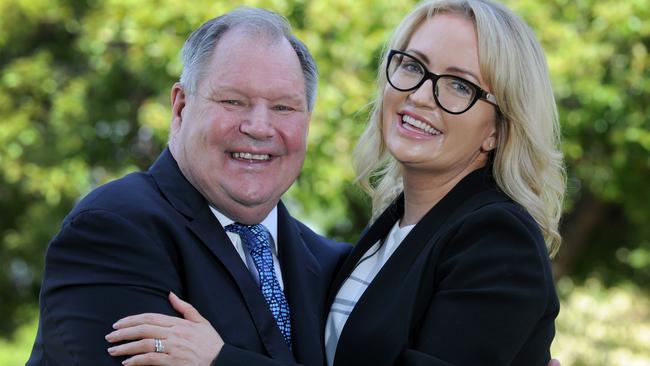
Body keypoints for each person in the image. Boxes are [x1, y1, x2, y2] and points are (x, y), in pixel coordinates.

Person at [105, 0, 566, 365]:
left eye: (460, 86)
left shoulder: (497, 239)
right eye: (412, 66)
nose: (422, 95)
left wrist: (219, 360)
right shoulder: (383, 239)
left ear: (497, 129)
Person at [26, 7, 350, 366]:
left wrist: (219, 359)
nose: (259, 127)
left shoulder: (334, 266)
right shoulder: (114, 229)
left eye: (283, 107)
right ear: (180, 107)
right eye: (233, 101)